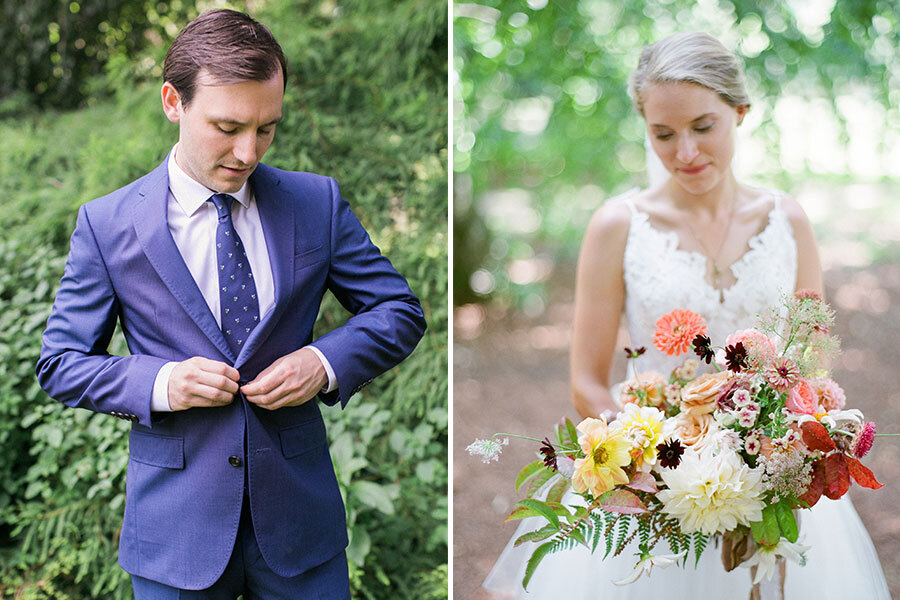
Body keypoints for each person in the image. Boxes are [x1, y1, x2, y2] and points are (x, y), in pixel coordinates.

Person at [483, 32, 888, 599]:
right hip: (656, 478)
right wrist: (657, 467)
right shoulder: (616, 227)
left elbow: (809, 365)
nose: (686, 153)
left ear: (740, 113)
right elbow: (586, 382)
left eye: (703, 127)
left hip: (770, 470)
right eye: (663, 135)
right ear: (645, 127)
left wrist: (774, 452)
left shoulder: (789, 222)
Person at [36, 9, 426, 599]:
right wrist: (162, 384)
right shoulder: (108, 224)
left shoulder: (313, 201)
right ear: (173, 101)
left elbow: (397, 309)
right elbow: (61, 362)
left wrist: (321, 364)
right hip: (176, 536)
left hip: (301, 529)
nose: (248, 151)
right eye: (228, 126)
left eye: (267, 128)